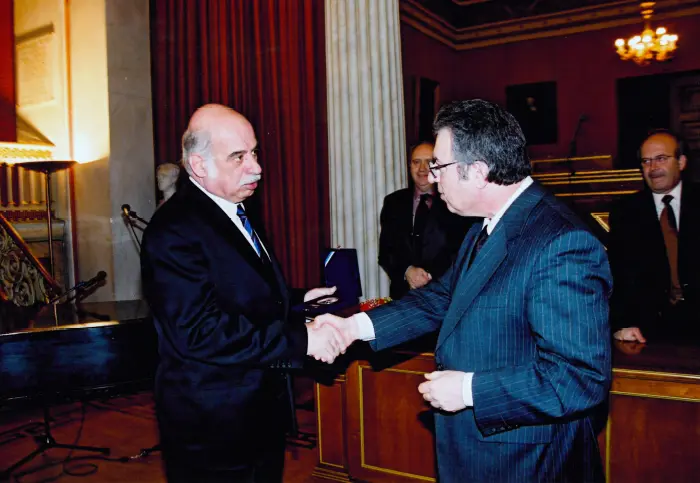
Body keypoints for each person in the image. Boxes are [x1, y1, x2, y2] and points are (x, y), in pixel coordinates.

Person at [316, 99, 612, 482]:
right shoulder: (484, 226)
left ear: (477, 171)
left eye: (439, 166)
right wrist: (352, 328)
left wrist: (471, 390)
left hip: (526, 460)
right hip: (482, 451)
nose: (431, 176)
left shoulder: (561, 242)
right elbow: (440, 299)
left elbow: (580, 378)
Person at [140, 104, 343, 482]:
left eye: (254, 153)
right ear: (199, 165)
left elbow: (240, 294)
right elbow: (200, 332)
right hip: (214, 425)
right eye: (238, 157)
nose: (257, 167)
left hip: (256, 412)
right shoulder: (173, 230)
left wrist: (298, 300)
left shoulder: (235, 208)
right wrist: (302, 340)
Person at [608, 130, 700, 343]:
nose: (653, 168)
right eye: (646, 161)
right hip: (649, 333)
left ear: (681, 162)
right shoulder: (625, 212)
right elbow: (616, 275)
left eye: (661, 158)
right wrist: (620, 324)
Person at [378, 141, 473, 299]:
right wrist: (407, 271)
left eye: (429, 162)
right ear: (410, 166)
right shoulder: (393, 202)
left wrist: (428, 276)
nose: (422, 169)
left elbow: (461, 251)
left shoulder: (455, 201)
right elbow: (386, 251)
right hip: (403, 298)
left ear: (439, 166)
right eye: (416, 162)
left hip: (444, 296)